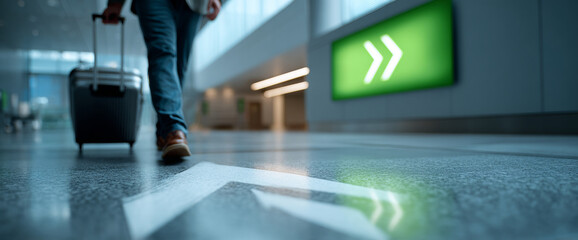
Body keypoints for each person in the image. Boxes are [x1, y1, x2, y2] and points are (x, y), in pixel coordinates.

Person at [102, 0, 221, 159]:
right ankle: (174, 128)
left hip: (194, 4)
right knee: (162, 53)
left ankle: (163, 132)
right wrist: (115, 3)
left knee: (179, 66)